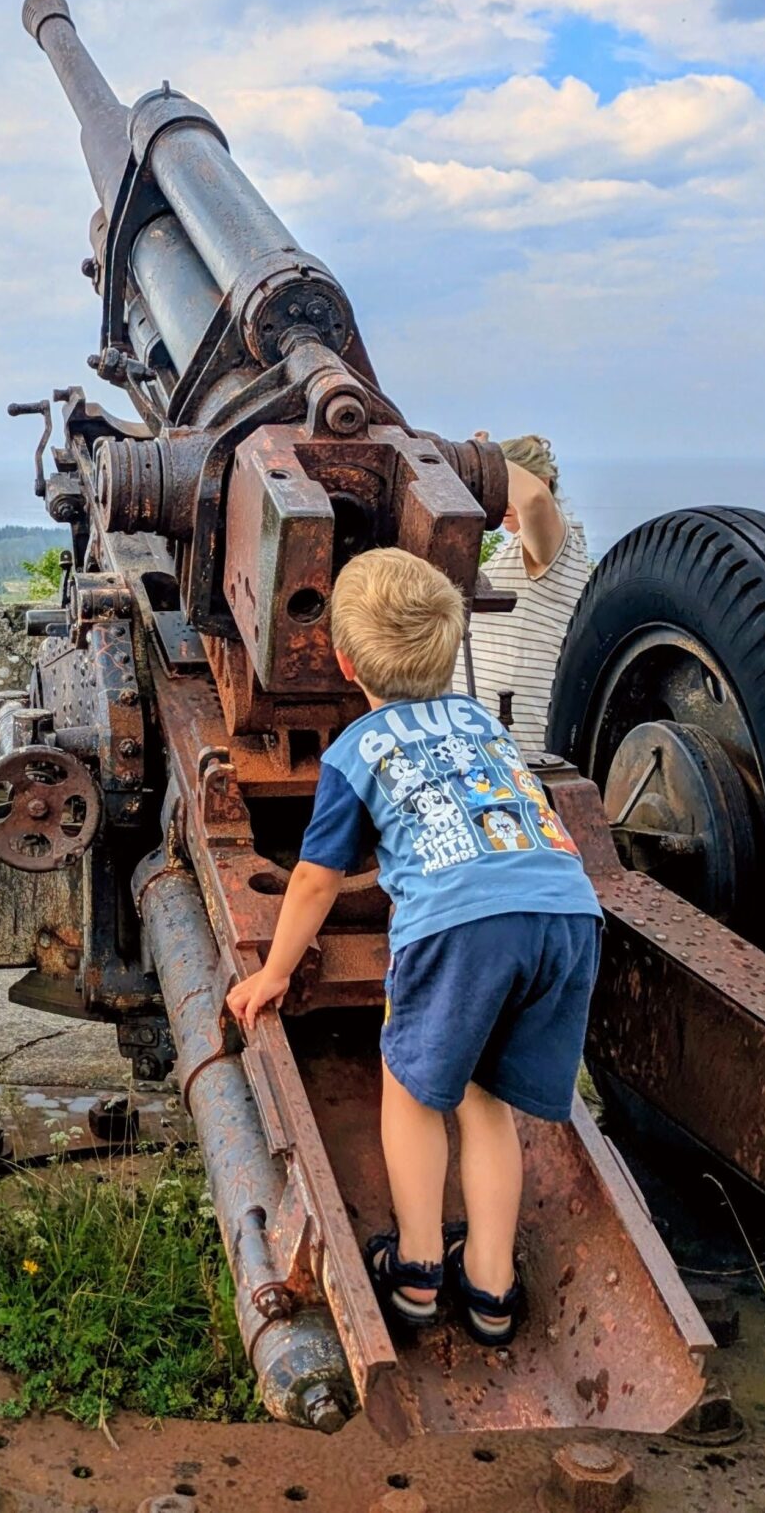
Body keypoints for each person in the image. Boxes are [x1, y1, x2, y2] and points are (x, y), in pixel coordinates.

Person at [225, 547, 600, 1344]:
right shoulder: (485, 724)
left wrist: (274, 975)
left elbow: (318, 881)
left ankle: (420, 1272)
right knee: (488, 1103)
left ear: (342, 658)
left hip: (461, 927)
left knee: (413, 1094)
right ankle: (492, 1288)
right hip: (567, 915)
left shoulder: (357, 749)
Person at [463, 433, 590, 754]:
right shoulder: (515, 551)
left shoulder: (559, 547)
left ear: (544, 481)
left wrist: (481, 458)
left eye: (506, 489)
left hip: (524, 741)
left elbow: (532, 499)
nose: (500, 501)